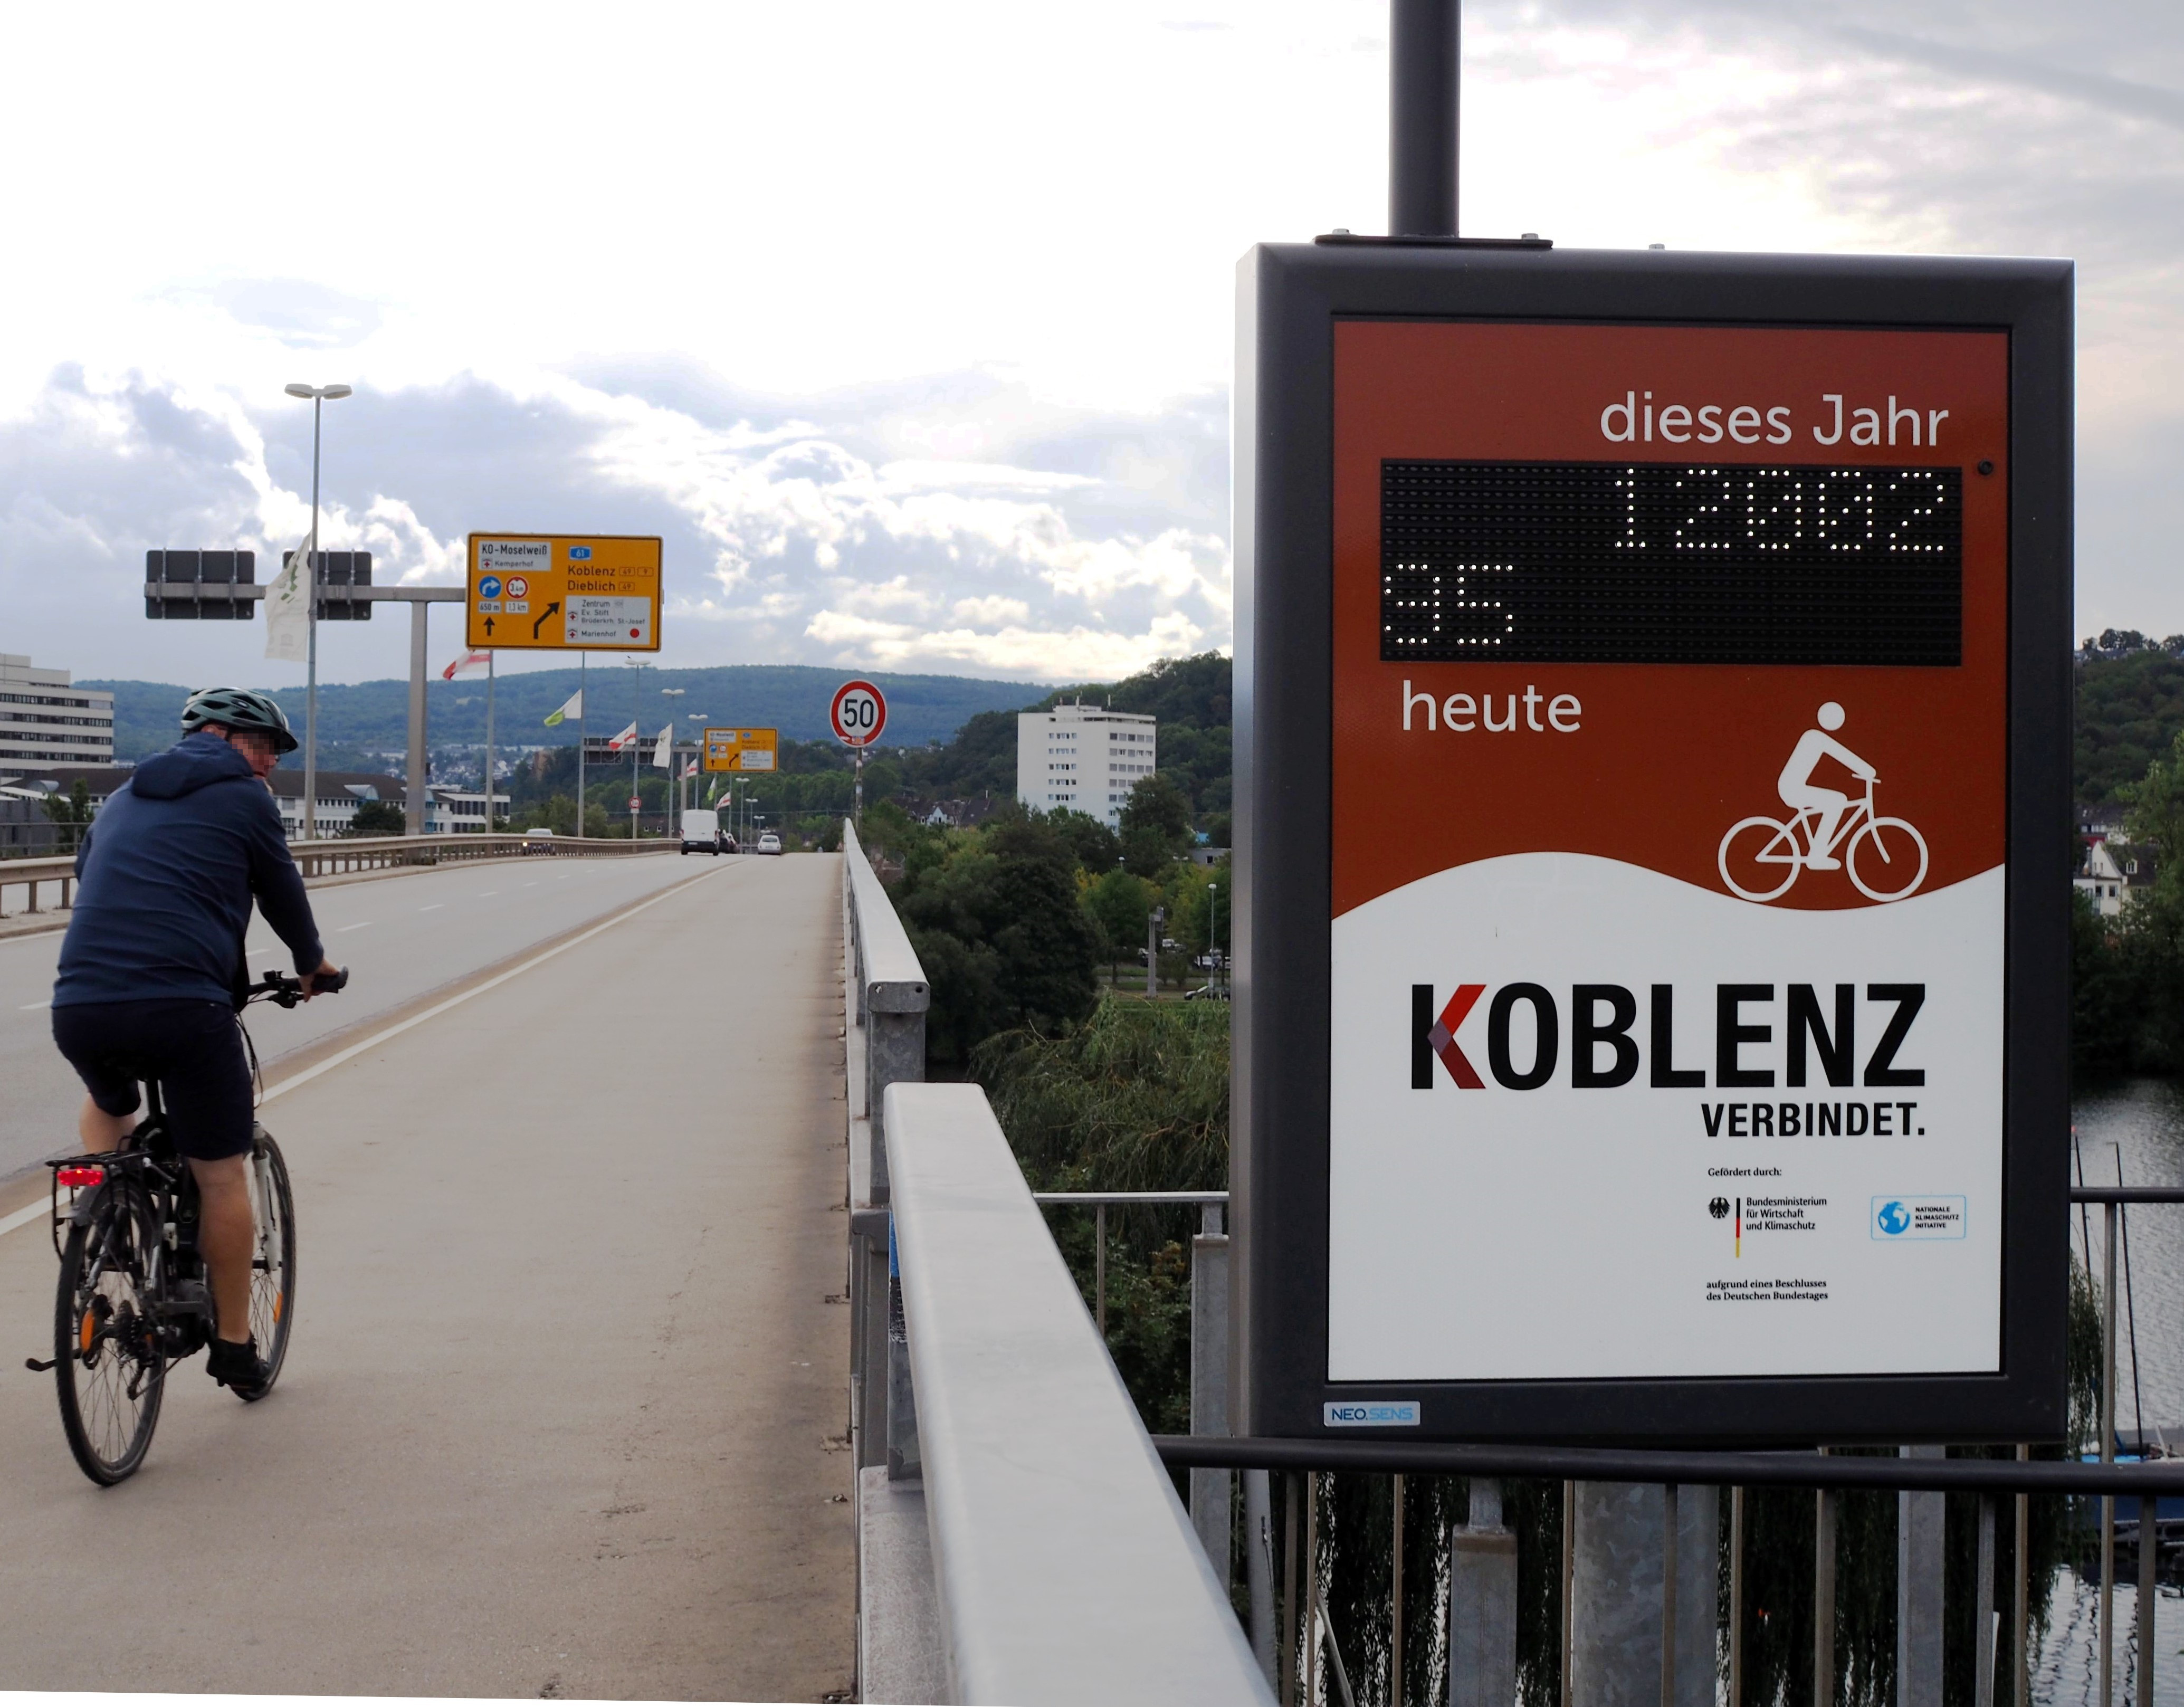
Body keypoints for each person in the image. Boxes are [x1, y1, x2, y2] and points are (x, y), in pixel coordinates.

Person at [49, 686, 340, 1400]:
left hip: (80, 1002)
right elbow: (280, 889)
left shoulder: (121, 798)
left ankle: (114, 1213)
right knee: (219, 1172)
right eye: (265, 745)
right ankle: (237, 1346)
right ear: (220, 734)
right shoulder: (247, 801)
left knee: (105, 1098)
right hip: (184, 1005)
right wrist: (312, 965)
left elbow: (92, 879)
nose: (270, 762)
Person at [1775, 701, 1877, 870]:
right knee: (1837, 801)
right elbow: (1841, 754)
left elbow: (1839, 754)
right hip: (1792, 789)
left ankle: (1817, 852)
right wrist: (1868, 771)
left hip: (1793, 787)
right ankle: (1817, 856)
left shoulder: (1815, 736)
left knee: (1837, 800)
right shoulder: (1815, 736)